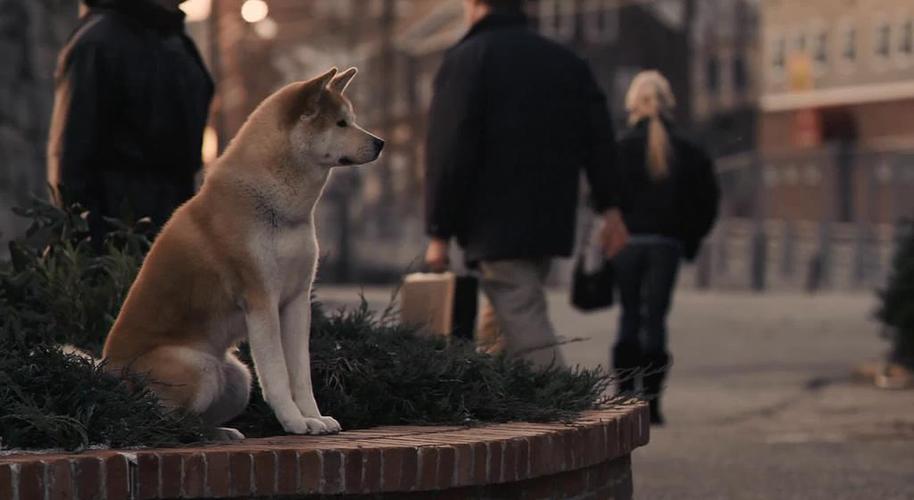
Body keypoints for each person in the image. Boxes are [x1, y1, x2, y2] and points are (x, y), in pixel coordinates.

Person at [424, 0, 629, 367]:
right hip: (551, 216)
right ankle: (497, 401)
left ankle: (567, 401)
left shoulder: (468, 59)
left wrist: (439, 231)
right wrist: (610, 206)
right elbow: (599, 139)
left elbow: (449, 148)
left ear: (475, 5)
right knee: (500, 318)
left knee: (520, 310)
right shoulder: (567, 61)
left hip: (493, 220)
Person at [47, 0, 213, 243]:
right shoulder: (98, 42)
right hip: (117, 241)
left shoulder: (178, 44)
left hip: (169, 235)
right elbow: (71, 160)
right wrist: (86, 252)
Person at [612, 71, 720, 425]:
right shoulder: (689, 151)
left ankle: (624, 396)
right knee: (656, 319)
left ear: (632, 104)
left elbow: (600, 195)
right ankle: (653, 403)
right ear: (669, 103)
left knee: (629, 315)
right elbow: (707, 201)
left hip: (627, 244)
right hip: (666, 245)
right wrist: (688, 239)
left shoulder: (621, 148)